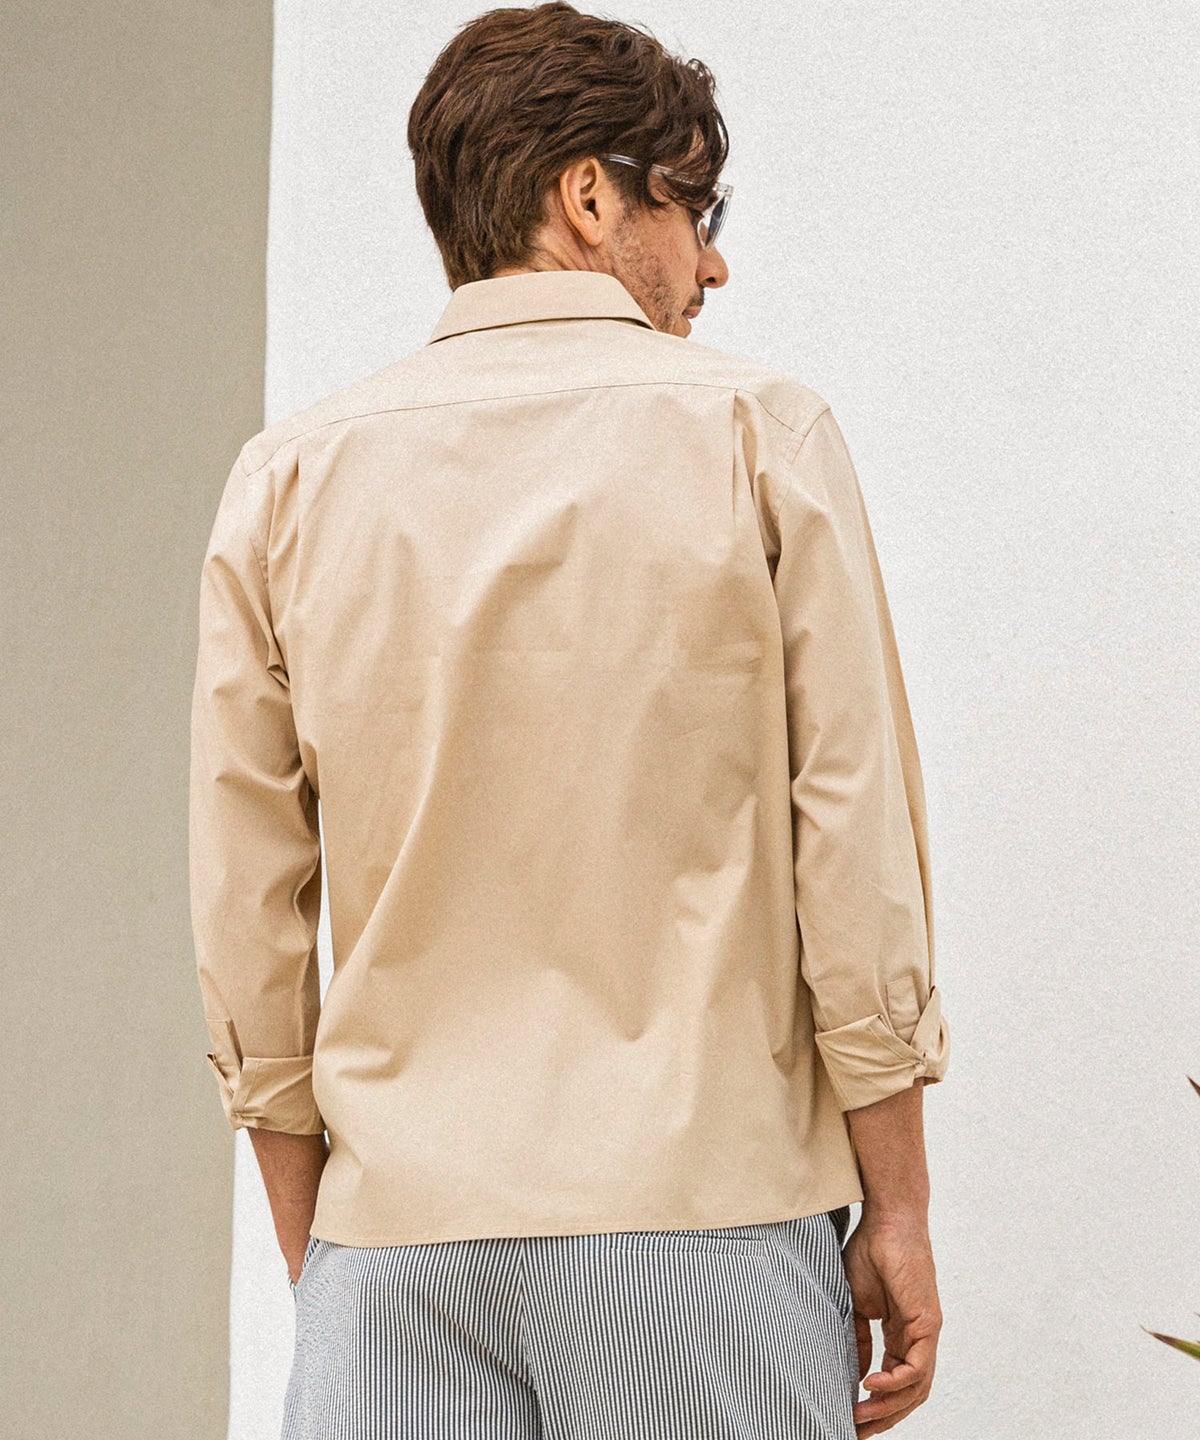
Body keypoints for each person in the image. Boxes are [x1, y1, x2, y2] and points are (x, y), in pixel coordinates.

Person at [188, 4, 950, 1437]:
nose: (712, 262)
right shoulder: (758, 435)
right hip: (703, 1222)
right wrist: (897, 1203)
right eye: (696, 206)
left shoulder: (287, 481)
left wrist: (327, 1241)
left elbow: (247, 907)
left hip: (394, 1241)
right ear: (590, 197)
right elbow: (854, 849)